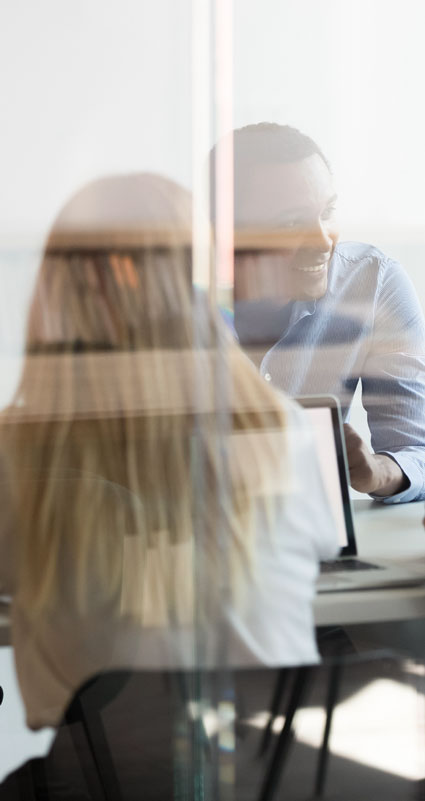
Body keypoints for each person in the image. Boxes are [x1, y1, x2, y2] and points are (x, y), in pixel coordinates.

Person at [0, 171, 337, 741]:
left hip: (95, 772)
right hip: (260, 768)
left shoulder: (20, 449)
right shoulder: (276, 425)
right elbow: (323, 550)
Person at [222, 123, 425, 503]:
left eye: (327, 211)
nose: (322, 241)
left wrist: (378, 470)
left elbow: (417, 450)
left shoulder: (373, 282)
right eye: (290, 222)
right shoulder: (178, 302)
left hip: (315, 537)